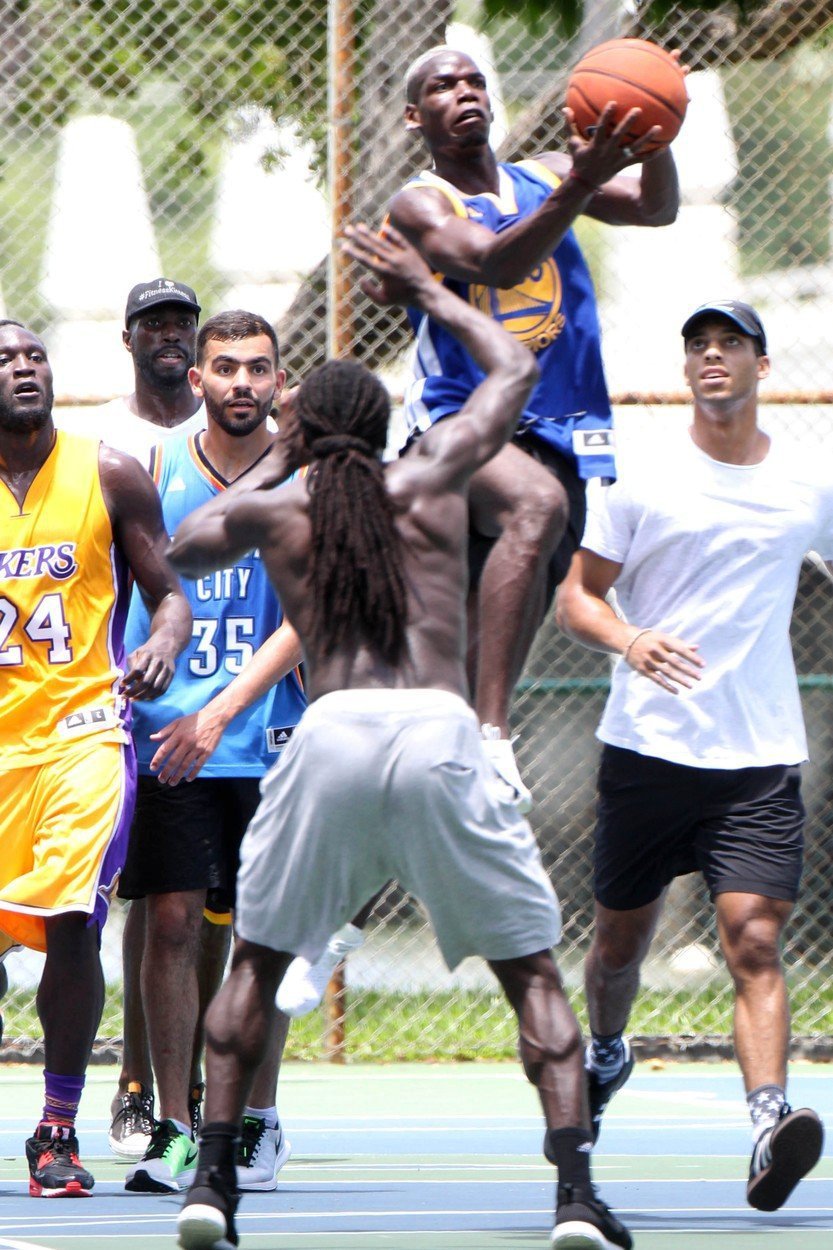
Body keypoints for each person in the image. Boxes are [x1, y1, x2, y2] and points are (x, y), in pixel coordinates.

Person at [169, 224, 632, 1250]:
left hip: (327, 734)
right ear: (382, 429)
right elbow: (514, 365)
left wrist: (280, 454)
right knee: (534, 977)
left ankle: (210, 1183)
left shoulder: (282, 510)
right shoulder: (427, 482)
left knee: (252, 963)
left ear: (302, 428)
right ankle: (573, 1196)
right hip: (436, 729)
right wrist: (427, 288)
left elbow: (186, 549)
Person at [555, 300, 827, 1212]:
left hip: (757, 757)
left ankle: (766, 1123)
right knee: (619, 949)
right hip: (648, 749)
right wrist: (630, 643)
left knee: (753, 941)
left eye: (729, 345)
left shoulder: (805, 483)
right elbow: (579, 599)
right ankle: (604, 1052)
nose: (712, 358)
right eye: (698, 347)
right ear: (686, 372)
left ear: (759, 364)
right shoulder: (640, 476)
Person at [387, 45, 681, 809]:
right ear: (415, 117)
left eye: (474, 80)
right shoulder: (418, 205)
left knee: (456, 678)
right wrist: (582, 182)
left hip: (557, 427)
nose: (464, 92)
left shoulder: (546, 172)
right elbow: (491, 263)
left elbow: (656, 208)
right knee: (536, 507)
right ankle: (494, 735)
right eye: (441, 86)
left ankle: (357, 905)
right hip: (458, 425)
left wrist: (659, 139)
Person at [117, 310, 307, 1195]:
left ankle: (256, 1120)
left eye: (256, 369)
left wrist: (225, 711)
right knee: (167, 924)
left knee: (265, 936)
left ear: (278, 381)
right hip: (170, 738)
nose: (240, 382)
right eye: (223, 367)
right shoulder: (154, 472)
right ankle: (175, 1127)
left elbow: (312, 616)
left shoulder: (307, 477)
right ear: (194, 381)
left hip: (268, 735)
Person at [0, 318, 191, 1198]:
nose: (23, 367)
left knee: (75, 920)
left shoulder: (107, 469)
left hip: (82, 733)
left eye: (33, 354)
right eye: (4, 359)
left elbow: (169, 598)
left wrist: (159, 645)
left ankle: (57, 1126)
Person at [58, 277, 209, 1158]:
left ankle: (196, 1089)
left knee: (205, 920)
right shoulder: (104, 446)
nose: (169, 335)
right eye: (153, 323)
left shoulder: (231, 426)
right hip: (117, 711)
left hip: (227, 707)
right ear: (126, 340)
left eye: (180, 322)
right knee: (135, 909)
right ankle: (135, 1081)